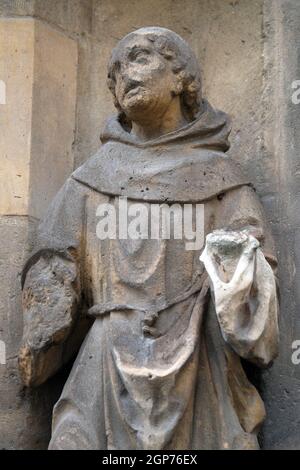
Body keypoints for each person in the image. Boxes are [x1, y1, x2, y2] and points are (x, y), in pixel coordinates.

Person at [19, 27, 279, 450]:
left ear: (181, 78)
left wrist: (238, 273)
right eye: (116, 70)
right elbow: (51, 264)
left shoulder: (221, 179)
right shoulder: (89, 181)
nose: (125, 74)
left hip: (197, 357)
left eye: (139, 58)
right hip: (106, 361)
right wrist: (50, 287)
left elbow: (256, 280)